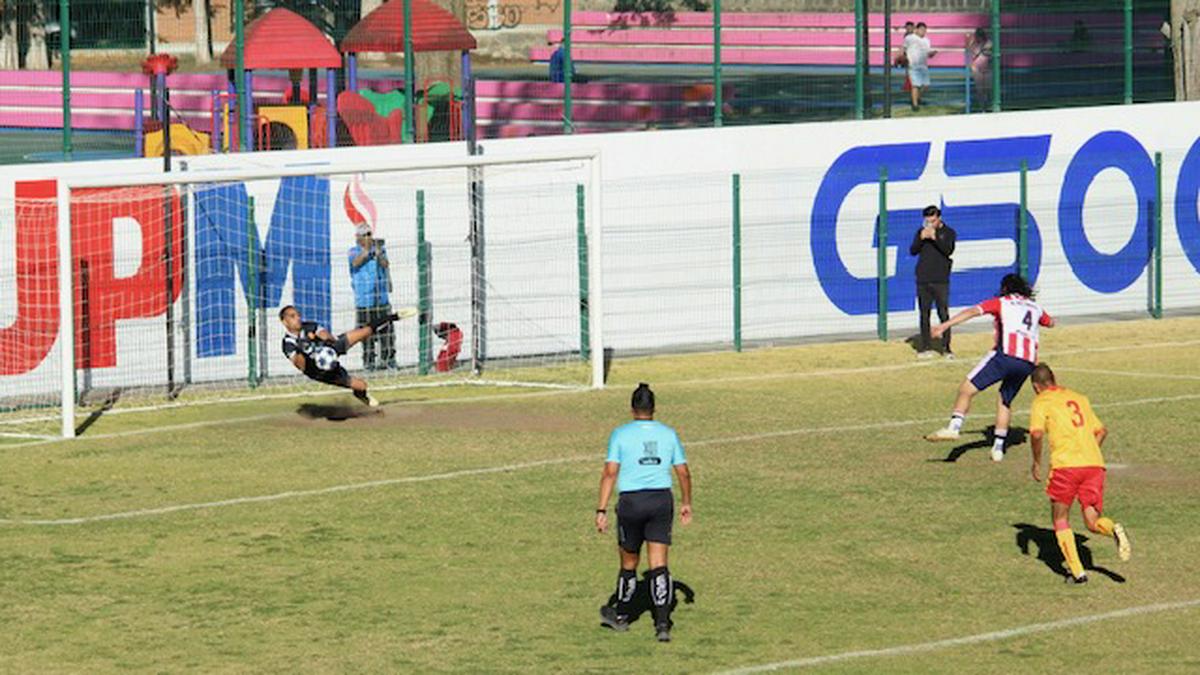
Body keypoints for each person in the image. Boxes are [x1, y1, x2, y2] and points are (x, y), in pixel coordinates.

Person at [595, 383, 693, 642]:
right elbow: (683, 471)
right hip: (661, 500)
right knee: (659, 563)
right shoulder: (668, 433)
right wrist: (686, 502)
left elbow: (610, 472)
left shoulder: (620, 434)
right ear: (654, 409)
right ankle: (662, 623)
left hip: (631, 503)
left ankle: (621, 616)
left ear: (632, 409)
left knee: (629, 563)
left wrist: (601, 509)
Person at [925, 273, 1055, 461]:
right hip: (1027, 363)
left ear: (1005, 289)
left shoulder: (1001, 302)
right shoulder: (1035, 307)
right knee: (1005, 400)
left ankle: (954, 427)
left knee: (966, 389)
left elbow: (971, 311)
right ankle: (998, 449)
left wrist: (944, 326)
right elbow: (1050, 322)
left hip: (1005, 356)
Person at [1028, 363, 1131, 583]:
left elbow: (1036, 434)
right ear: (1054, 379)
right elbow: (1101, 431)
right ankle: (1113, 528)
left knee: (1060, 518)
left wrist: (1036, 462)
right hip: (1094, 465)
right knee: (1092, 521)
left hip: (1066, 467)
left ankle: (1077, 573)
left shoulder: (1041, 401)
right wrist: (1088, 453)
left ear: (1036, 387)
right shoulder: (1079, 397)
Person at [278, 304, 412, 407]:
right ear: (284, 322)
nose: (298, 318)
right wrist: (302, 347)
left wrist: (320, 338)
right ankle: (360, 394)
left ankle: (394, 316)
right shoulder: (288, 344)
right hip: (320, 371)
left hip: (330, 348)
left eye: (298, 315)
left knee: (364, 332)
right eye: (292, 316)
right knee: (362, 386)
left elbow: (327, 335)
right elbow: (301, 366)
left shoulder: (309, 326)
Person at [909, 205, 956, 359]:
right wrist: (922, 238)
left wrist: (935, 237)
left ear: (939, 218)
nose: (930, 223)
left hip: (940, 279)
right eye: (928, 220)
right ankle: (925, 347)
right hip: (923, 278)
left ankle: (946, 348)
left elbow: (948, 250)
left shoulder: (948, 233)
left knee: (943, 313)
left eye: (933, 220)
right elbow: (913, 250)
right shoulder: (920, 232)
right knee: (924, 314)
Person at [348, 225, 395, 370]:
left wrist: (379, 252)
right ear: (359, 237)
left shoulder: (380, 250)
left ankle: (388, 360)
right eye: (366, 235)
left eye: (370, 234)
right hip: (364, 300)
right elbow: (355, 263)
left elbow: (385, 264)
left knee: (386, 331)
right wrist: (368, 250)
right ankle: (369, 362)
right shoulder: (353, 251)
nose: (369, 237)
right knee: (365, 333)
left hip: (380, 298)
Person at [904, 22, 938, 111]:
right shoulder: (910, 38)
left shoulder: (927, 40)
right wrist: (903, 58)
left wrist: (932, 53)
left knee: (926, 85)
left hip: (923, 65)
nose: (923, 32)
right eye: (922, 30)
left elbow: (928, 53)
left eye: (925, 30)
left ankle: (917, 98)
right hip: (913, 65)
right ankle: (915, 104)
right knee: (915, 85)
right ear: (917, 29)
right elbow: (903, 49)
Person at [965, 28, 992, 112]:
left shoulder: (988, 43)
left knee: (987, 88)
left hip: (987, 67)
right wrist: (969, 40)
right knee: (980, 89)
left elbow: (989, 48)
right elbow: (969, 51)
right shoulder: (973, 44)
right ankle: (982, 107)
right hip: (976, 67)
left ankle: (986, 104)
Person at [894, 21, 916, 95]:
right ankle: (909, 86)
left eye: (910, 27)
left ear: (913, 28)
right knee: (909, 72)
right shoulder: (907, 36)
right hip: (908, 55)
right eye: (907, 27)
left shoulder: (915, 36)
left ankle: (912, 86)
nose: (908, 29)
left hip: (914, 56)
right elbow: (904, 47)